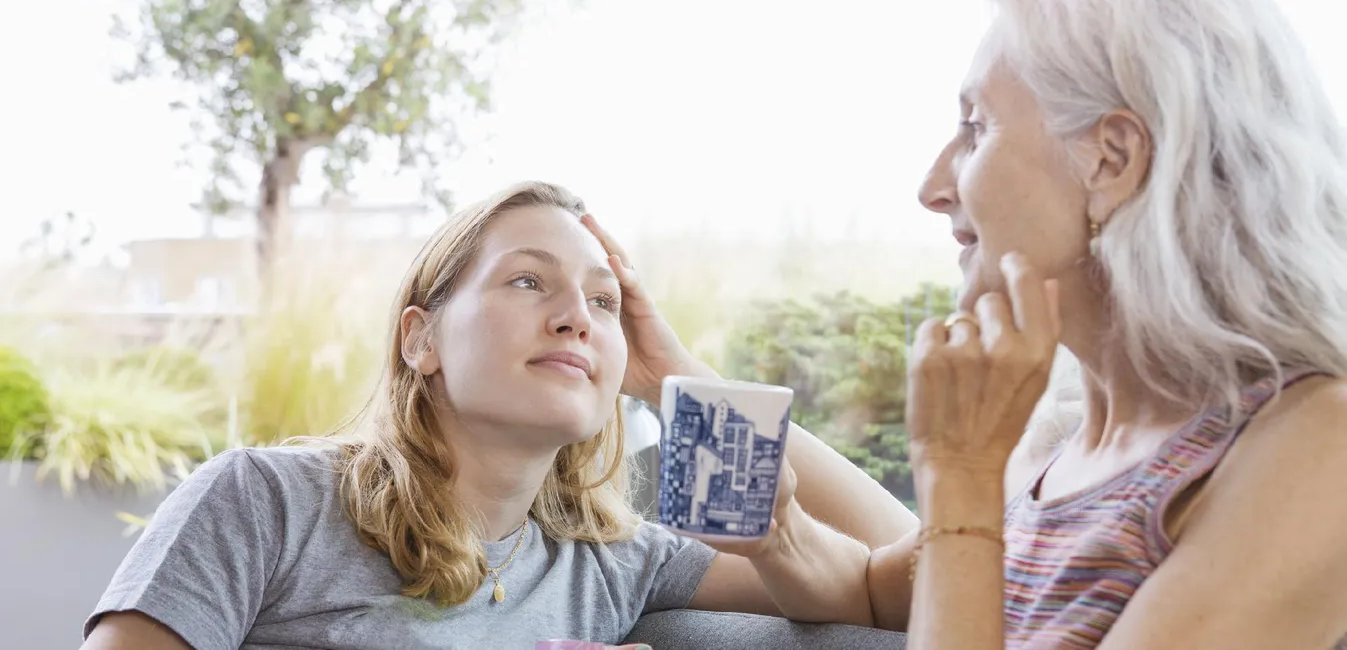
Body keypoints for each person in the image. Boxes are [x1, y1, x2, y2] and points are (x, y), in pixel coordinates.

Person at [80, 181, 914, 650]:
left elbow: (897, 585)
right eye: (527, 280)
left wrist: (682, 379)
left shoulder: (610, 560)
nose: (576, 316)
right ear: (421, 338)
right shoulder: (265, 501)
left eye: (603, 302)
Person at [865, 0, 1347, 649]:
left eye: (976, 126)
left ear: (1110, 159)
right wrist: (777, 526)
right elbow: (864, 590)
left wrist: (959, 474)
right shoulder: (1060, 448)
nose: (933, 187)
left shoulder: (1319, 446)